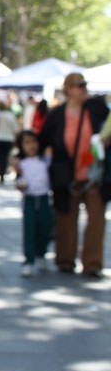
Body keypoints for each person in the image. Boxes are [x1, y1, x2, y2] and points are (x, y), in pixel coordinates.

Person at [39, 73, 109, 277]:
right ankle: (65, 260)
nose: (83, 89)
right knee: (66, 219)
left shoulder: (96, 109)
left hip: (95, 174)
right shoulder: (56, 115)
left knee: (96, 220)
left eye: (85, 85)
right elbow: (43, 141)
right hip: (66, 175)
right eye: (80, 85)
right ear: (68, 88)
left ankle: (93, 264)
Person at [13, 130, 53, 277]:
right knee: (29, 230)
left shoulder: (44, 160)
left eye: (33, 142)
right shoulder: (20, 164)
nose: (31, 146)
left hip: (44, 198)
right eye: (27, 142)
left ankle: (41, 253)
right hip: (29, 199)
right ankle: (28, 260)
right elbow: (18, 182)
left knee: (45, 228)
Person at [0, 100, 19, 184]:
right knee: (5, 157)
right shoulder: (10, 115)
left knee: (0, 158)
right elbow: (15, 129)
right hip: (8, 139)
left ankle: (1, 173)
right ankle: (3, 172)